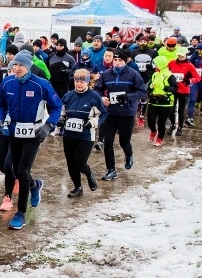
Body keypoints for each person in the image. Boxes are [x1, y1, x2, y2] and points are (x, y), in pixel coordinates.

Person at [0, 51, 62, 230]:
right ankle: (34, 185)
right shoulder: (7, 82)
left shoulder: (41, 84)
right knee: (17, 171)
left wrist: (49, 125)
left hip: (34, 132)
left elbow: (57, 106)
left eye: (21, 65)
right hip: (14, 131)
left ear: (29, 66)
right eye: (15, 65)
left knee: (23, 170)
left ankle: (21, 214)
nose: (17, 68)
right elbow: (0, 105)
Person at [93, 49, 147, 180]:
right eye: (115, 60)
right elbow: (97, 89)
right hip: (110, 113)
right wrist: (101, 98)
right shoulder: (106, 74)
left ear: (125, 61)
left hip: (126, 113)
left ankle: (128, 155)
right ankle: (111, 170)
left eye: (120, 60)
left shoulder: (133, 74)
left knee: (124, 142)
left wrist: (127, 97)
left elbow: (142, 92)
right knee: (108, 142)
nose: (117, 63)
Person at [59, 69, 105, 197]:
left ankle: (89, 174)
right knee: (70, 163)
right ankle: (78, 187)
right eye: (77, 81)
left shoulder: (94, 96)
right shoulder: (68, 96)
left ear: (88, 82)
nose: (79, 84)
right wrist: (61, 120)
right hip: (69, 134)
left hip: (86, 135)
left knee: (79, 163)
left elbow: (103, 114)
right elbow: (62, 112)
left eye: (82, 81)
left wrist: (92, 122)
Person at [146, 56, 179, 147]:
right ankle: (153, 131)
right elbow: (149, 87)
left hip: (166, 102)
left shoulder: (170, 75)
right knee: (150, 121)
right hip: (153, 100)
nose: (155, 66)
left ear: (160, 64)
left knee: (161, 123)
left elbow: (175, 88)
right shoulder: (155, 74)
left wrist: (164, 87)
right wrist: (150, 87)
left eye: (156, 64)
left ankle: (160, 138)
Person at [167, 47, 200, 136]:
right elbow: (164, 70)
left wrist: (189, 80)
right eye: (179, 55)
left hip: (184, 90)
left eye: (182, 55)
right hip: (173, 89)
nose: (180, 57)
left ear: (186, 55)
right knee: (171, 109)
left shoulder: (189, 65)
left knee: (180, 111)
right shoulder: (172, 62)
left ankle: (180, 128)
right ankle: (173, 125)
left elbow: (197, 77)